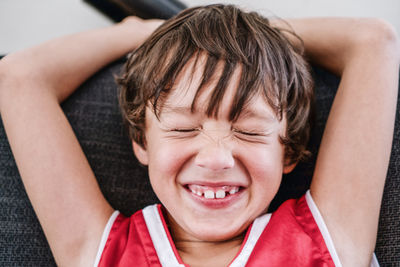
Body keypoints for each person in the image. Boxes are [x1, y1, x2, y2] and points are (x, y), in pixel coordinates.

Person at [0, 4, 398, 267]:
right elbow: (18, 77)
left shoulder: (327, 241)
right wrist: (152, 32)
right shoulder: (103, 254)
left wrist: (244, 33)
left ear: (289, 149)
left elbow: (373, 41)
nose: (216, 158)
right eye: (184, 128)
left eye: (248, 130)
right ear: (142, 141)